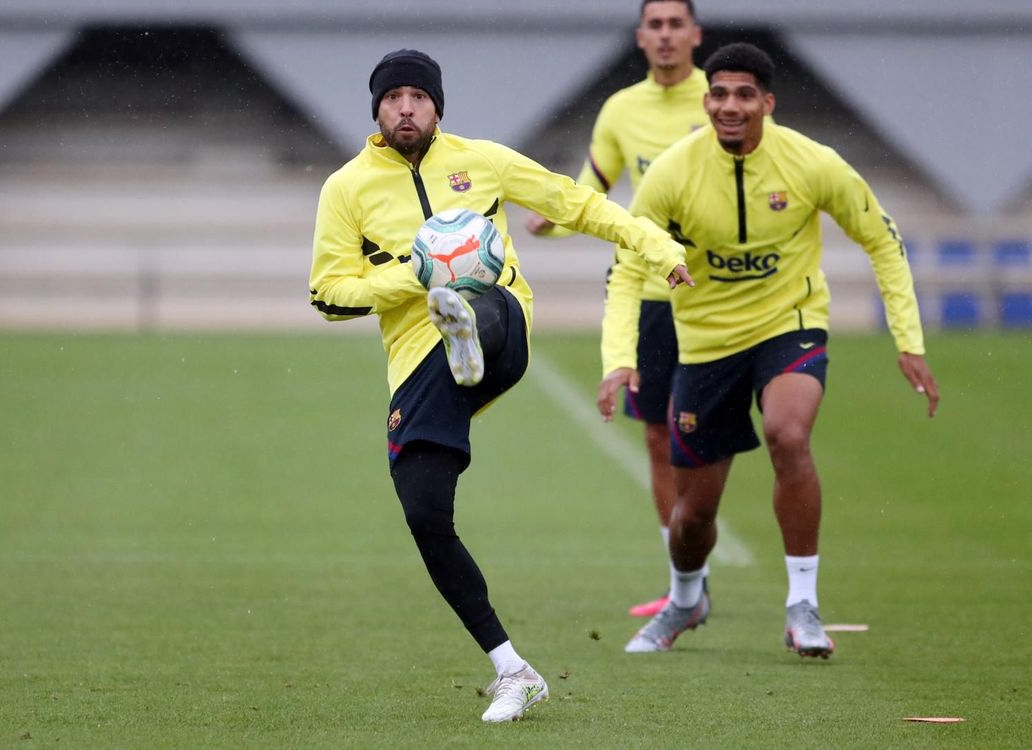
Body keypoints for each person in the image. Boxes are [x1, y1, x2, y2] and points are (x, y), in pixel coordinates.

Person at [309, 49, 691, 722]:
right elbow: (328, 293)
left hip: (502, 326)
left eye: (418, 97)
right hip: (420, 361)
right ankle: (513, 670)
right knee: (425, 513)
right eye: (393, 96)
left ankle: (467, 323)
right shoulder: (346, 189)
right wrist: (420, 274)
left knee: (479, 294)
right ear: (376, 109)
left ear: (437, 106)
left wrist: (656, 247)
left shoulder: (483, 159)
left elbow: (574, 203)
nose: (406, 107)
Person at [598, 42, 939, 658]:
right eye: (720, 94)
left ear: (767, 102)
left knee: (788, 434)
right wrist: (618, 358)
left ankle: (802, 604)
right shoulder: (673, 172)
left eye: (744, 95)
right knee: (694, 517)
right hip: (702, 345)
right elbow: (626, 266)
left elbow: (882, 240)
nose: (730, 106)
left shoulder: (812, 163)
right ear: (706, 101)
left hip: (791, 324)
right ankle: (685, 599)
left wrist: (907, 341)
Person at [527, 0, 710, 619]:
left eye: (674, 24)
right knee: (659, 436)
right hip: (653, 296)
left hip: (721, 298)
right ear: (640, 37)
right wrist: (549, 221)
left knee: (711, 442)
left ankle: (704, 551)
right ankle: (686, 578)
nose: (664, 35)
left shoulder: (724, 99)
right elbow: (592, 189)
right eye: (654, 25)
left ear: (694, 34)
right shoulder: (621, 110)